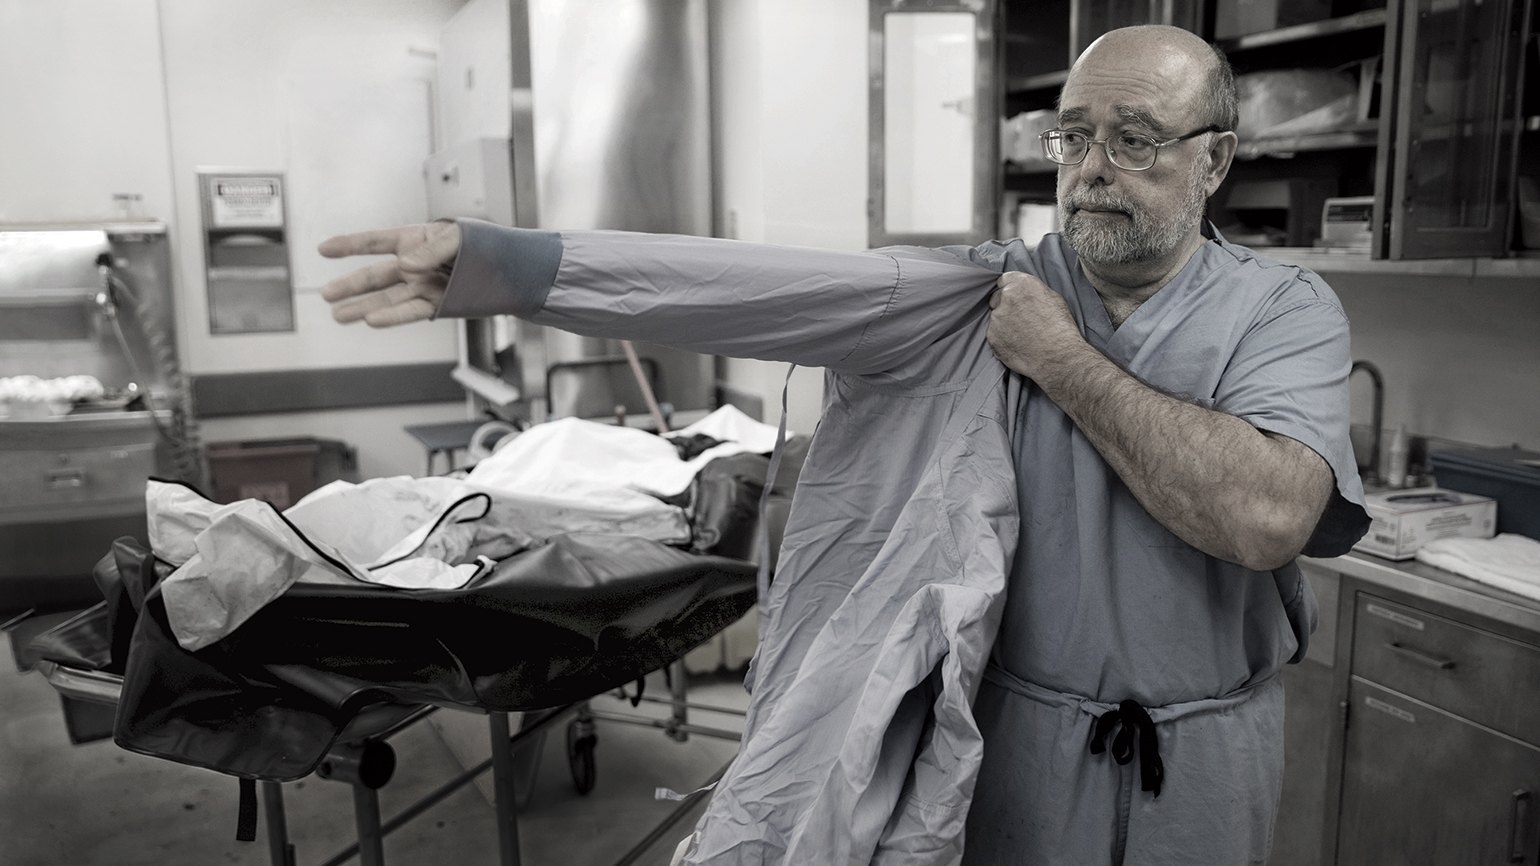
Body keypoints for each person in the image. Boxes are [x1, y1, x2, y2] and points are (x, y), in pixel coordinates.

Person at [319, 25, 1369, 865]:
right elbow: (763, 289)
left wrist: (1060, 361)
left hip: (1202, 765)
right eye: (1072, 137)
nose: (1091, 170)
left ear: (1214, 159)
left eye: (1133, 139)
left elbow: (1266, 516)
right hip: (1012, 748)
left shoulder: (1281, 312)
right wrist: (509, 268)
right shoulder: (985, 295)